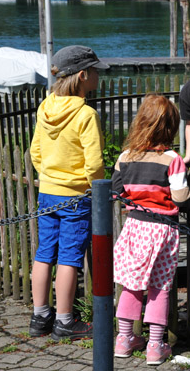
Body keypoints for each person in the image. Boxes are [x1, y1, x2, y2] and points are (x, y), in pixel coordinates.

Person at [29, 45, 108, 341]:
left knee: (44, 252)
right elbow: (95, 163)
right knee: (70, 258)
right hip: (76, 196)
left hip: (48, 191)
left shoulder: (45, 106)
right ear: (83, 75)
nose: (99, 76)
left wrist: (49, 174)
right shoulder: (86, 114)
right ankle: (64, 321)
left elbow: (35, 151)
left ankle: (40, 317)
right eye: (96, 71)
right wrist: (96, 188)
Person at [111, 94, 190, 365]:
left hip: (134, 226)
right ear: (171, 127)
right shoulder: (172, 159)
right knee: (159, 287)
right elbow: (179, 197)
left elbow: (116, 192)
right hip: (163, 230)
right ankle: (156, 346)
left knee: (130, 285)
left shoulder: (125, 157)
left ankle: (124, 340)